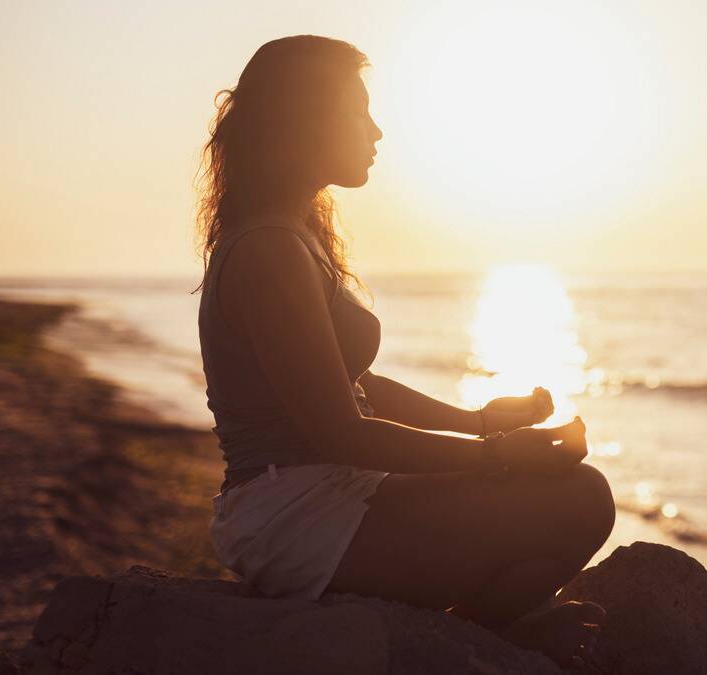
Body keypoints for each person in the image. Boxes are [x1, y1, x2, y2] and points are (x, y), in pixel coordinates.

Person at [193, 35, 614, 669]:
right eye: (357, 110)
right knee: (580, 498)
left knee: (569, 490)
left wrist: (477, 423)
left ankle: (496, 620)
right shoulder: (268, 250)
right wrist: (494, 458)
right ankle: (494, 629)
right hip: (296, 516)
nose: (377, 130)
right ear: (304, 118)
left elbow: (355, 387)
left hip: (327, 492)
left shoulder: (293, 234)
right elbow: (342, 431)